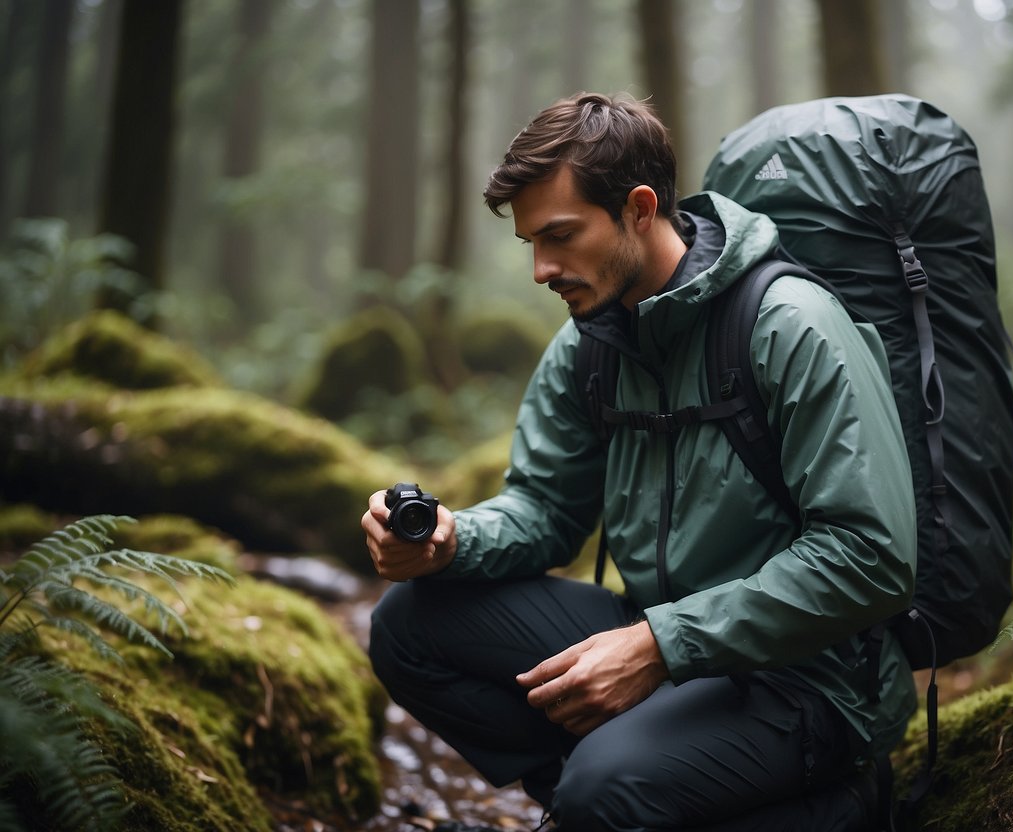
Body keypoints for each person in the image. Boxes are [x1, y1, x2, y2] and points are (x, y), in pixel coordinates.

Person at [363, 92, 917, 831]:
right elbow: (546, 509)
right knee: (409, 625)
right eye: (530, 242)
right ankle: (614, 800)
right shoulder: (592, 342)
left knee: (605, 787)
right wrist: (452, 538)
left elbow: (869, 556)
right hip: (657, 638)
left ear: (639, 208)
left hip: (810, 680)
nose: (541, 269)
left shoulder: (790, 326)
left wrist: (662, 644)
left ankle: (831, 804)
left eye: (559, 235)